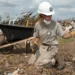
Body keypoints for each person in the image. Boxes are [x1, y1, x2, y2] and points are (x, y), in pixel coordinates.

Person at [28, 1, 75, 70]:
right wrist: (35, 43)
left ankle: (53, 60)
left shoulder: (56, 25)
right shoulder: (37, 25)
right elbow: (37, 37)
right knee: (31, 62)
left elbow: (64, 36)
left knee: (38, 65)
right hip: (43, 47)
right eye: (47, 15)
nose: (49, 17)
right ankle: (54, 58)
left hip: (52, 47)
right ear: (41, 14)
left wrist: (73, 33)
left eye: (50, 15)